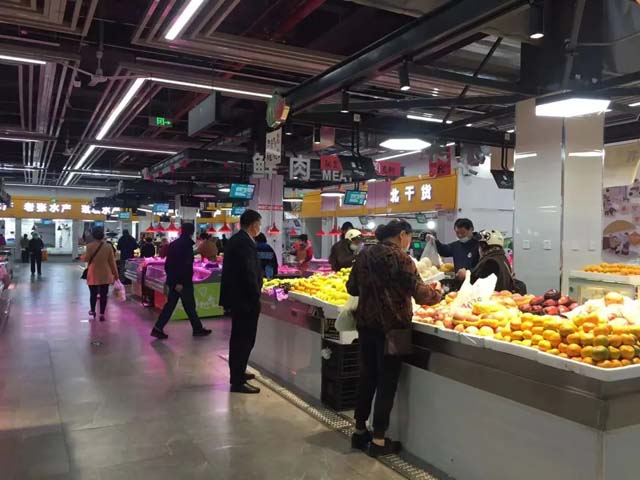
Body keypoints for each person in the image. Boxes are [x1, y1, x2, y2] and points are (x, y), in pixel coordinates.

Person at [346, 220, 441, 457]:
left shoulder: (364, 255)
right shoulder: (401, 258)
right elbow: (421, 295)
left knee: (367, 377)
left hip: (366, 326)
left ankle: (359, 432)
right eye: (409, 237)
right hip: (394, 329)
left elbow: (352, 288)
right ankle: (379, 441)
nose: (408, 242)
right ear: (402, 235)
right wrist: (438, 293)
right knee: (386, 382)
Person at [220, 209, 263, 394]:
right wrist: (256, 294)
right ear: (253, 225)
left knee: (241, 339)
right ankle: (237, 381)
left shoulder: (238, 239)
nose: (259, 228)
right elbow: (248, 272)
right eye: (259, 224)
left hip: (240, 298)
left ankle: (239, 371)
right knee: (243, 340)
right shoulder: (244, 243)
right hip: (245, 300)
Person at [151, 223, 212, 339]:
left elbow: (169, 265)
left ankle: (159, 328)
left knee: (179, 305)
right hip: (183, 282)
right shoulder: (186, 245)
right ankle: (196, 329)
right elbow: (184, 265)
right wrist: (179, 282)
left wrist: (173, 280)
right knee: (186, 305)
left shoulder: (174, 244)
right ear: (192, 232)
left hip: (175, 280)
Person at [84, 227, 119, 320]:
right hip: (105, 274)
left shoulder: (89, 246)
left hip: (93, 273)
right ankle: (102, 314)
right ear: (103, 236)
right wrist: (116, 275)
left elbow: (86, 259)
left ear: (93, 236)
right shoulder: (108, 247)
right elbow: (112, 262)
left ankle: (92, 310)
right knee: (104, 294)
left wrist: (81, 257)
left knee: (93, 294)